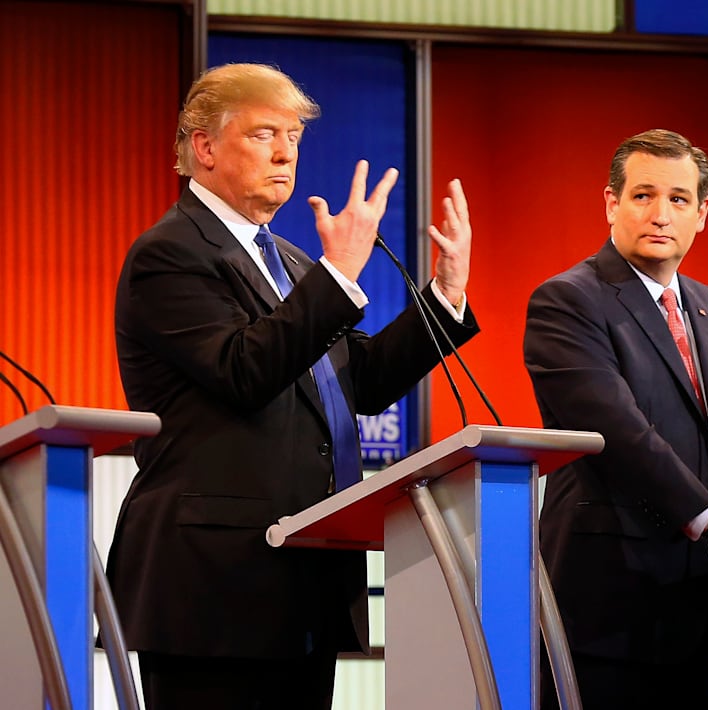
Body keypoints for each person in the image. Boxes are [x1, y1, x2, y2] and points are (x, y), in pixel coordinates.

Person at [107, 63, 479, 709]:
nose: (285, 154)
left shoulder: (290, 261)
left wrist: (444, 295)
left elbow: (361, 383)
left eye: (294, 138)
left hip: (304, 578)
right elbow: (243, 371)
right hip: (215, 590)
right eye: (264, 135)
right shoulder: (169, 254)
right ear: (204, 147)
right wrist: (339, 274)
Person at [524, 129, 708, 709]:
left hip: (693, 604)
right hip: (605, 609)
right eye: (643, 196)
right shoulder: (568, 300)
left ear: (701, 214)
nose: (661, 214)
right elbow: (618, 432)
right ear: (612, 204)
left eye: (679, 199)